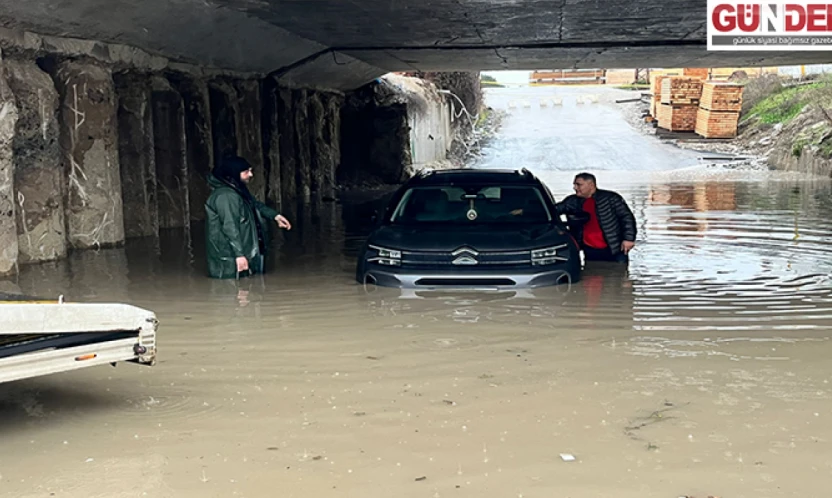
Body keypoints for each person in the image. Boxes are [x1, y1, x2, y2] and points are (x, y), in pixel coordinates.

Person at [205, 155, 292, 279]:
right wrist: (239, 255)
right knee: (239, 292)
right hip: (231, 260)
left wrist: (275, 216)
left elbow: (253, 204)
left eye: (250, 170)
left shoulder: (235, 190)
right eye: (246, 172)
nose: (251, 175)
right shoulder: (226, 196)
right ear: (233, 174)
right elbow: (230, 226)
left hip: (244, 253)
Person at [555, 172, 636, 263]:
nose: (575, 188)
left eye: (579, 185)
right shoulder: (572, 201)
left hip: (614, 248)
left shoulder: (611, 198)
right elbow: (553, 211)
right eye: (574, 184)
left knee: (617, 273)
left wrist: (629, 239)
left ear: (591, 185)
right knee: (591, 272)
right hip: (589, 248)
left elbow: (626, 218)